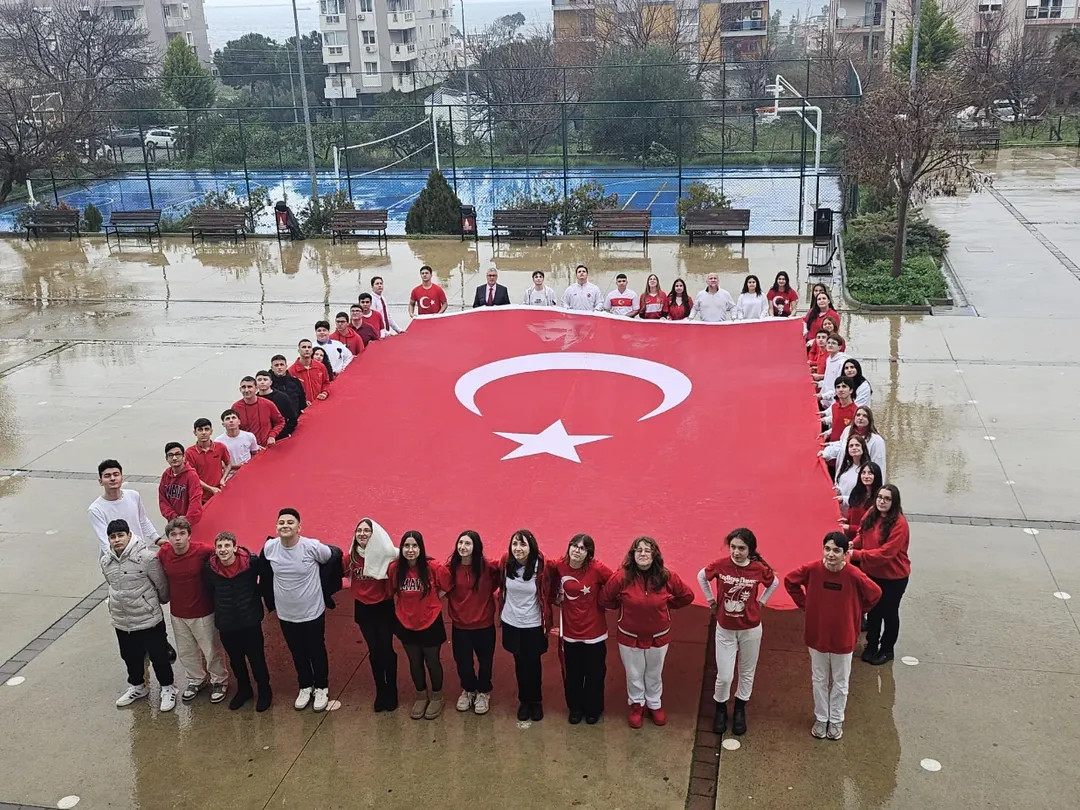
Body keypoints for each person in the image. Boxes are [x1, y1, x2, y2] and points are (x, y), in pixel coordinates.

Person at [784, 532, 882, 740]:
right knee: (819, 678)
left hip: (843, 637)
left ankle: (836, 720)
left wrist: (857, 611)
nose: (831, 554)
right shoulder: (812, 569)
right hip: (817, 633)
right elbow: (790, 581)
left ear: (846, 553)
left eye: (836, 550)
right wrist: (805, 604)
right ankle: (821, 717)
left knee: (840, 681)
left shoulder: (854, 575)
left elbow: (875, 593)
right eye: (827, 549)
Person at [600, 536, 694, 728]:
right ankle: (637, 705)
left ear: (655, 555)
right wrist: (621, 606)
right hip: (629, 636)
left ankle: (654, 704)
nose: (643, 554)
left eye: (647, 550)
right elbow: (604, 598)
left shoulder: (667, 576)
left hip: (659, 636)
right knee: (634, 673)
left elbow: (687, 596)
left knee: (654, 672)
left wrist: (669, 606)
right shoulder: (621, 577)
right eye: (639, 550)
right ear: (632, 554)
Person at [698, 528, 779, 736]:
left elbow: (774, 582)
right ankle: (721, 708)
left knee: (746, 672)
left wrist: (762, 602)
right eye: (733, 547)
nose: (736, 552)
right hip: (725, 629)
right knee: (724, 675)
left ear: (750, 550)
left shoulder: (758, 569)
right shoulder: (721, 565)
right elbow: (701, 576)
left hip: (751, 630)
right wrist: (710, 600)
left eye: (741, 548)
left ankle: (741, 708)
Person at [261, 508, 334, 712]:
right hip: (286, 614)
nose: (285, 526)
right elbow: (265, 575)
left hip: (312, 611)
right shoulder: (270, 548)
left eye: (290, 522)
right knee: (297, 651)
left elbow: (330, 558)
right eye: (281, 522)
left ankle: (321, 687)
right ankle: (305, 686)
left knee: (316, 650)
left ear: (299, 527)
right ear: (276, 527)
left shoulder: (312, 547)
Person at [101, 518, 176, 711]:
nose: (117, 540)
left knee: (159, 655)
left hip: (148, 618)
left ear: (128, 535)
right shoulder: (105, 561)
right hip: (122, 620)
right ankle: (137, 686)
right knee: (129, 656)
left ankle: (168, 688)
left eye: (120, 535)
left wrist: (153, 603)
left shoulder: (147, 558)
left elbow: (162, 586)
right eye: (112, 537)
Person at [158, 517, 228, 704]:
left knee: (211, 649)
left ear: (189, 535)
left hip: (203, 611)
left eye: (182, 534)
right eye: (173, 535)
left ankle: (219, 680)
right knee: (186, 650)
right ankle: (196, 679)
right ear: (168, 538)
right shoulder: (164, 553)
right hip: (178, 612)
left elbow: (224, 555)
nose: (178, 538)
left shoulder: (203, 550)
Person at [204, 531, 272, 711]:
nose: (223, 549)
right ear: (215, 550)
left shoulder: (252, 563)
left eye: (227, 545)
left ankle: (264, 690)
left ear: (235, 547)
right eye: (219, 546)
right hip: (226, 623)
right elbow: (210, 591)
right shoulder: (209, 569)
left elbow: (264, 581)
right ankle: (244, 689)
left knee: (257, 658)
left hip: (250, 620)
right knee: (236, 659)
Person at [552, 533, 613, 725]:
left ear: (589, 554)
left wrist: (602, 599)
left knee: (595, 674)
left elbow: (614, 584)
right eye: (574, 546)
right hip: (570, 632)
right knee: (573, 673)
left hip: (594, 633)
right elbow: (549, 585)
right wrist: (555, 596)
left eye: (582, 548)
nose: (577, 551)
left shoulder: (598, 569)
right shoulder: (558, 567)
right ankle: (575, 708)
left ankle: (594, 708)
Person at [389, 530, 448, 720]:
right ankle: (421, 695)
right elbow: (392, 590)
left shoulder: (434, 567)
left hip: (430, 622)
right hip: (406, 622)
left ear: (421, 548)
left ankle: (437, 696)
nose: (410, 550)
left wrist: (432, 601)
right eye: (406, 546)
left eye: (415, 546)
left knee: (432, 660)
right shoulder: (395, 569)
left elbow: (448, 586)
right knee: (414, 660)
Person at [852, 485, 911, 666]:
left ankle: (887, 649)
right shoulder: (871, 513)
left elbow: (886, 554)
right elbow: (861, 535)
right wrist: (851, 545)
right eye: (880, 497)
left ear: (894, 502)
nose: (882, 501)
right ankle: (871, 646)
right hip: (872, 574)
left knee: (889, 613)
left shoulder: (899, 524)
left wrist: (856, 555)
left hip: (894, 578)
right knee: (874, 612)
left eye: (887, 499)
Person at [498, 529, 551, 722]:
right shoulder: (505, 563)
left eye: (522, 544)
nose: (518, 548)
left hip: (534, 624)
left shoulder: (542, 566)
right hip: (512, 623)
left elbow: (551, 589)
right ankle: (524, 701)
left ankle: (536, 701)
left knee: (534, 664)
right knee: (520, 663)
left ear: (531, 547)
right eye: (514, 544)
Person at [347, 518, 399, 712]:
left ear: (374, 534)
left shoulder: (387, 554)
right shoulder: (351, 557)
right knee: (374, 650)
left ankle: (392, 690)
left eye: (366, 531)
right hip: (363, 608)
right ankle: (381, 690)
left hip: (383, 607)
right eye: (358, 530)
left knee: (386, 649)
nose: (362, 534)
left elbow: (410, 557)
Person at [446, 530, 498, 715]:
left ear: (476, 547)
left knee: (485, 661)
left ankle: (484, 692)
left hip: (484, 626)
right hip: (460, 627)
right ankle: (468, 690)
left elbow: (500, 579)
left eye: (467, 543)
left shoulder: (489, 568)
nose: (463, 547)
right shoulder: (450, 568)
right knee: (463, 663)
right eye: (460, 543)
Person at [89, 459, 161, 555]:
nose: (112, 478)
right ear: (100, 481)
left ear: (122, 478)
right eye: (107, 476)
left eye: (116, 474)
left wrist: (157, 539)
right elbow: (105, 541)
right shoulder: (95, 509)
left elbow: (143, 521)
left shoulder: (134, 495)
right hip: (117, 559)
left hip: (140, 554)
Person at [822, 406, 886, 480]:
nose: (860, 418)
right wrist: (827, 451)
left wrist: (877, 488)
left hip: (862, 479)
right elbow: (841, 446)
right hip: (844, 475)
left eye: (864, 416)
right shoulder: (847, 431)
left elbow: (879, 466)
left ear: (870, 420)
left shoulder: (877, 441)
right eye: (858, 415)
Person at [186, 418, 233, 502]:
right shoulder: (189, 452)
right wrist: (210, 488)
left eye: (206, 429)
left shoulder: (220, 447)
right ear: (195, 433)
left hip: (219, 493)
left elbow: (228, 463)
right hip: (199, 496)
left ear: (211, 431)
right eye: (200, 430)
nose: (203, 432)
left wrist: (223, 478)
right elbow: (192, 476)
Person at [158, 442, 204, 525]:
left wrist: (187, 520)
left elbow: (195, 500)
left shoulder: (191, 475)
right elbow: (163, 500)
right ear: (166, 458)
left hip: (189, 524)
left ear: (184, 456)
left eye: (178, 454)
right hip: (173, 522)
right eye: (170, 455)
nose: (174, 458)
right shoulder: (166, 475)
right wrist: (174, 517)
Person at [232, 376, 284, 449]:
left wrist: (272, 436)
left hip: (266, 449)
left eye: (249, 387)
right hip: (246, 450)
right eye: (243, 387)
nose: (246, 390)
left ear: (256, 388)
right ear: (240, 389)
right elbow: (234, 429)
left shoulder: (268, 404)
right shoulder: (236, 407)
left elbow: (280, 422)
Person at [842, 462, 883, 540]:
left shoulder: (879, 499)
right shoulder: (856, 493)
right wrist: (846, 520)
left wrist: (850, 527)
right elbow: (851, 512)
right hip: (850, 538)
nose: (866, 476)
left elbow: (873, 527)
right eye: (863, 473)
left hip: (865, 540)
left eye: (870, 473)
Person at [255, 370, 297, 440]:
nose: (262, 382)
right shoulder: (254, 399)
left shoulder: (282, 397)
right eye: (259, 380)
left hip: (280, 436)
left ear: (271, 382)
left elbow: (292, 418)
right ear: (256, 384)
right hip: (261, 438)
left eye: (265, 379)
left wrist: (284, 433)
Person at [834, 434, 870, 510]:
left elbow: (866, 496)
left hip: (855, 510)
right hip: (840, 509)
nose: (854, 448)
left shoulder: (867, 470)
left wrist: (844, 499)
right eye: (851, 446)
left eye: (857, 445)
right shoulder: (845, 467)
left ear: (863, 448)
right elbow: (838, 483)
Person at [817, 335, 850, 407]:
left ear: (840, 347)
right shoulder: (828, 359)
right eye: (828, 343)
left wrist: (823, 396)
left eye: (833, 343)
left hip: (834, 400)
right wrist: (818, 384)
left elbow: (839, 384)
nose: (830, 345)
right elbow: (828, 381)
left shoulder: (842, 362)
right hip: (825, 400)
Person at [821, 377, 857, 443]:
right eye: (838, 387)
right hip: (831, 445)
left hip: (844, 447)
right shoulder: (834, 407)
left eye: (844, 386)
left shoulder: (856, 411)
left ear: (851, 390)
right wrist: (828, 433)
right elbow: (837, 426)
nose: (840, 390)